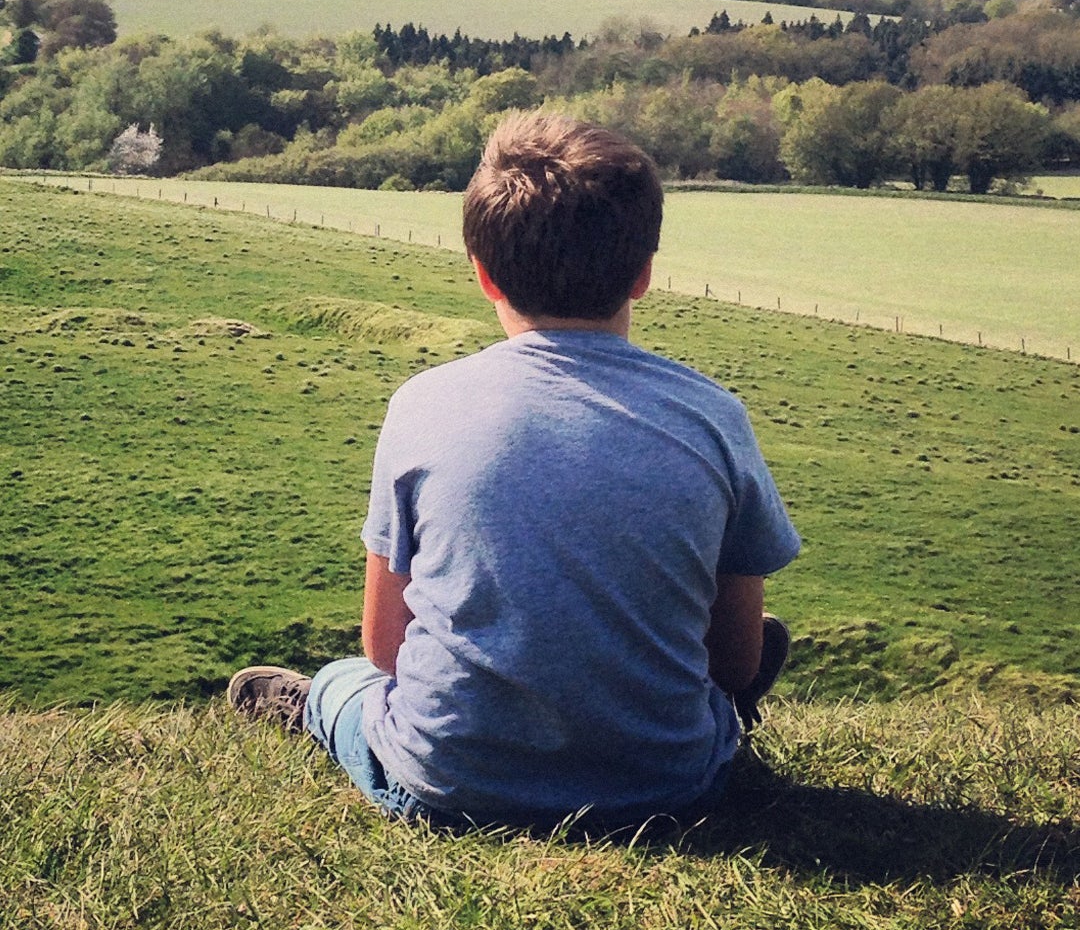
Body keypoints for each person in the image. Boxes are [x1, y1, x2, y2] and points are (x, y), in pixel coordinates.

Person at [228, 112, 800, 831]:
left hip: (450, 785)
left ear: (483, 274)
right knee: (715, 689)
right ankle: (704, 719)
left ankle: (314, 707)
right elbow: (735, 657)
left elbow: (384, 646)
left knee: (348, 680)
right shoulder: (713, 416)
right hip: (668, 789)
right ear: (645, 272)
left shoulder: (422, 404)